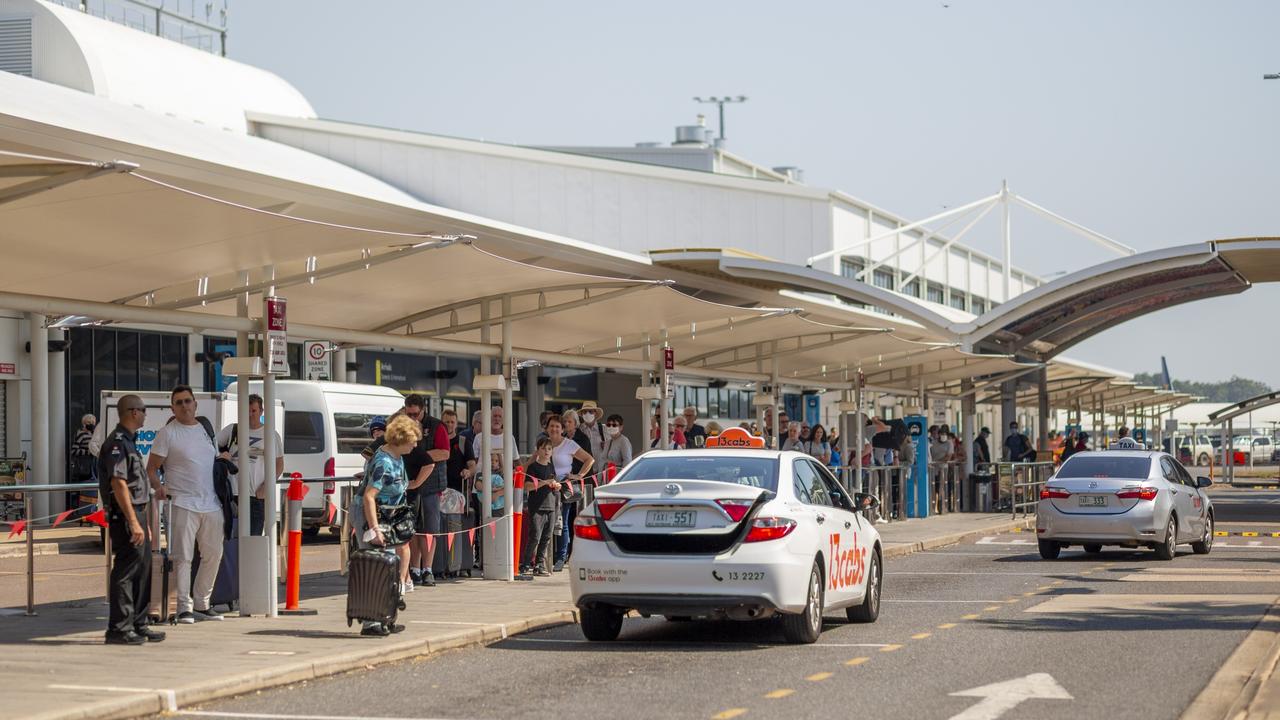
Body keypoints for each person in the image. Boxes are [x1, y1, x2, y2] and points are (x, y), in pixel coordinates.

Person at [147, 385, 223, 625]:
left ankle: (202, 603)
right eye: (178, 402)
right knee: (183, 557)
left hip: (211, 502)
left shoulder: (205, 430)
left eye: (187, 401)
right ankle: (183, 607)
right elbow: (151, 468)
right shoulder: (167, 433)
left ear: (195, 404)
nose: (184, 406)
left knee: (214, 554)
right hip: (182, 502)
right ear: (172, 407)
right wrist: (159, 487)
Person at [351, 414, 424, 637]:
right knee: (377, 567)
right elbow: (369, 497)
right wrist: (374, 530)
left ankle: (386, 615)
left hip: (388, 514)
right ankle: (371, 622)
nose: (416, 444)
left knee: (390, 565)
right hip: (372, 515)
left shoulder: (396, 455)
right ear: (401, 439)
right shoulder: (384, 462)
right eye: (413, 440)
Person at [101, 395, 164, 646]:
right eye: (144, 410)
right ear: (133, 412)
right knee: (127, 571)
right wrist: (133, 521)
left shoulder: (129, 441)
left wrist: (142, 520)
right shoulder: (117, 443)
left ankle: (138, 623)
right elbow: (119, 484)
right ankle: (119, 628)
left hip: (136, 513)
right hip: (125, 515)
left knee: (143, 569)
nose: (146, 415)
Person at [214, 394, 283, 537]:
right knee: (229, 538)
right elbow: (211, 446)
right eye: (247, 411)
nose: (250, 414)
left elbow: (279, 464)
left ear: (261, 411)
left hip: (255, 496)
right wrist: (221, 456)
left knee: (252, 539)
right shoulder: (232, 430)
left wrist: (266, 487)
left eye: (254, 411)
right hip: (232, 494)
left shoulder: (270, 434)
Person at [403, 395, 450, 589]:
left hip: (431, 485)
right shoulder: (402, 424)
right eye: (409, 413)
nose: (413, 417)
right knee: (411, 529)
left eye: (416, 413)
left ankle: (428, 569)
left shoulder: (437, 426)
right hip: (411, 484)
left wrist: (419, 456)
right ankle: (414, 568)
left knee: (430, 529)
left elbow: (445, 453)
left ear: (423, 410)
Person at [549, 413, 594, 572]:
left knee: (563, 520)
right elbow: (534, 459)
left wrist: (579, 475)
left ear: (562, 429)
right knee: (548, 521)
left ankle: (561, 557)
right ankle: (547, 557)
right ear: (547, 428)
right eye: (551, 426)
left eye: (557, 426)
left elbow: (589, 459)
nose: (554, 429)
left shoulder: (569, 444)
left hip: (564, 487)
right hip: (547, 486)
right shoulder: (544, 443)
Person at [521, 437, 558, 577]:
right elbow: (527, 486)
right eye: (543, 448)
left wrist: (556, 485)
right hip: (537, 506)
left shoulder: (551, 467)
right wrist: (545, 482)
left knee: (546, 537)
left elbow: (553, 484)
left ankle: (539, 564)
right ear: (538, 450)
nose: (547, 451)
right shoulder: (533, 467)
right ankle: (525, 564)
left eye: (549, 448)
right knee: (535, 536)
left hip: (551, 505)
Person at [578, 401, 608, 469]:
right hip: (583, 471)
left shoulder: (604, 429)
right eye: (585, 412)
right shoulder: (578, 430)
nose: (587, 414)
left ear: (595, 413)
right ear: (582, 414)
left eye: (590, 411)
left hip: (601, 470)